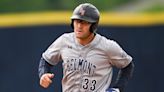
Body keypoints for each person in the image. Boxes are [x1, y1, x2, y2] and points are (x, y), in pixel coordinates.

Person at [38, 3, 134, 92]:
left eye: (84, 22)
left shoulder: (107, 46)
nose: (79, 26)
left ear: (93, 25)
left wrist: (117, 89)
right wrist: (43, 74)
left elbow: (128, 65)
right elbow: (46, 60)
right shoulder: (64, 41)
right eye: (77, 21)